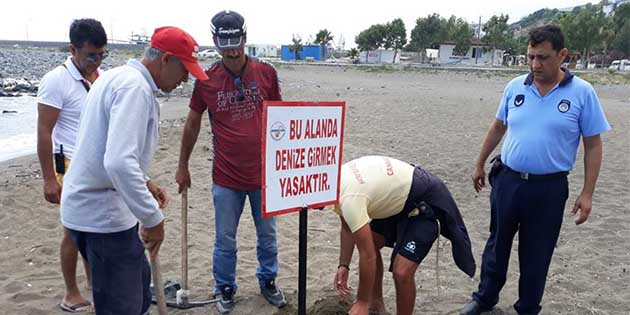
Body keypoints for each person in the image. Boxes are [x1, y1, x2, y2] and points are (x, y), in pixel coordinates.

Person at [460, 25, 610, 315]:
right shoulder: (516, 86)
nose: (534, 65)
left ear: (562, 55)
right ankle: (485, 298)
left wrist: (587, 193)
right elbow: (498, 126)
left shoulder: (582, 93)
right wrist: (480, 163)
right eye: (530, 57)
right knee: (497, 242)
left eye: (542, 58)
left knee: (537, 252)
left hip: (549, 188)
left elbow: (593, 145)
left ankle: (527, 307)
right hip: (508, 180)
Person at [60, 26, 208, 315]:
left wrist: (145, 182)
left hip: (98, 209)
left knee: (139, 296)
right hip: (102, 217)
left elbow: (104, 148)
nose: (185, 79)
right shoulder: (133, 88)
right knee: (122, 306)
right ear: (166, 60)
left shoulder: (118, 77)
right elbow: (117, 161)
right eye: (184, 70)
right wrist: (153, 219)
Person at [175, 10, 286, 314]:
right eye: (225, 43)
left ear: (245, 38)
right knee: (225, 239)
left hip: (264, 176)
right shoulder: (206, 79)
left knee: (268, 236)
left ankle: (268, 281)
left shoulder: (266, 74)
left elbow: (282, 120)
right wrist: (182, 164)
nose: (232, 50)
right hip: (225, 178)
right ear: (215, 42)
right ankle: (224, 287)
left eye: (236, 41)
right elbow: (192, 123)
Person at [331, 156, 476, 315]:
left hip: (422, 199)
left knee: (402, 272)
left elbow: (368, 256)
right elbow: (347, 228)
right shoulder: (334, 183)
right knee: (370, 241)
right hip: (394, 199)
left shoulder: (350, 198)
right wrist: (343, 265)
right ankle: (376, 305)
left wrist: (361, 302)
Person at [36, 18, 107, 313]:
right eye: (91, 55)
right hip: (66, 166)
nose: (96, 61)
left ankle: (93, 286)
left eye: (102, 54)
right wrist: (49, 179)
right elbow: (43, 132)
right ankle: (70, 293)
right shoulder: (56, 80)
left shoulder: (99, 78)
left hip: (93, 166)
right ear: (73, 49)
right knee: (73, 232)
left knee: (92, 230)